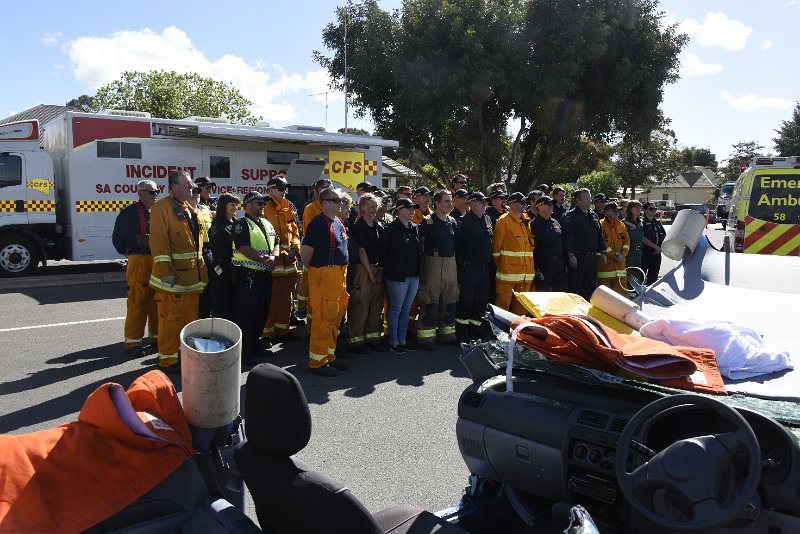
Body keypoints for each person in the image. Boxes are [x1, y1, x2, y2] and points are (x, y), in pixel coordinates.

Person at [149, 170, 208, 372]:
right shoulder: (161, 208)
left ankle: (185, 356)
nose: (191, 187)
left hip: (192, 279)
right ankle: (168, 360)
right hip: (173, 280)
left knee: (190, 322)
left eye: (191, 184)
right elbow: (159, 243)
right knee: (170, 321)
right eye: (186, 184)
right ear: (173, 187)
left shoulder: (189, 208)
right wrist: (166, 272)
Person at [300, 188, 350, 376]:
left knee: (334, 319)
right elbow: (306, 254)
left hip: (338, 276)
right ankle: (317, 362)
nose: (341, 204)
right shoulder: (318, 224)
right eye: (336, 200)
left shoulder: (338, 222)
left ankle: (329, 357)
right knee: (322, 319)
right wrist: (318, 271)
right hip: (324, 276)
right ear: (325, 203)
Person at [112, 179, 159, 356]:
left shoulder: (156, 211)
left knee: (157, 302)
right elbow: (118, 239)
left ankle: (156, 338)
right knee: (137, 303)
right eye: (152, 192)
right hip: (139, 261)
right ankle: (133, 343)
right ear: (140, 193)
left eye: (157, 191)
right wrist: (131, 255)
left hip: (156, 261)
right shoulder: (129, 213)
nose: (156, 195)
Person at [232, 192, 280, 363]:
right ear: (248, 205)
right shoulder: (240, 224)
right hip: (248, 276)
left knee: (261, 312)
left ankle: (254, 345)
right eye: (259, 203)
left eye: (263, 203)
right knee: (246, 315)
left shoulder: (267, 223)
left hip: (264, 275)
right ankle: (244, 353)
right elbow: (243, 247)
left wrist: (274, 257)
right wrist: (263, 260)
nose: (262, 206)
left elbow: (277, 243)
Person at [417, 190, 459, 348]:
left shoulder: (452, 221)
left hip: (450, 263)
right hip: (433, 263)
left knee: (450, 298)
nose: (450, 204)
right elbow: (420, 246)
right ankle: (426, 337)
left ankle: (447, 334)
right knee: (430, 299)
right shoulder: (427, 222)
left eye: (450, 201)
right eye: (446, 201)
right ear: (437, 203)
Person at [262, 175, 301, 343]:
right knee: (272, 299)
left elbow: (294, 231)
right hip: (275, 262)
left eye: (285, 188)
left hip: (289, 263)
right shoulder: (263, 207)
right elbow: (265, 236)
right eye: (280, 188)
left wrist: (295, 248)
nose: (284, 192)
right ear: (270, 189)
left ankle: (282, 331)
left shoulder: (287, 207)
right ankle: (266, 335)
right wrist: (284, 253)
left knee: (286, 299)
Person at [379, 198, 421, 354]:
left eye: (413, 208)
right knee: (396, 309)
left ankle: (402, 340)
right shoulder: (389, 229)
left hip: (413, 275)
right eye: (408, 208)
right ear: (399, 210)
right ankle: (393, 341)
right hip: (397, 276)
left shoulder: (414, 228)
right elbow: (383, 254)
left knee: (406, 309)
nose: (412, 211)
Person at [347, 193, 385, 353]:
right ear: (362, 208)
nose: (374, 209)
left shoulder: (378, 225)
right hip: (364, 269)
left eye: (375, 206)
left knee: (376, 305)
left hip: (377, 268)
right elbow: (362, 252)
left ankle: (373, 337)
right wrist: (370, 274)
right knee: (361, 304)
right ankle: (356, 341)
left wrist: (380, 270)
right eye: (371, 206)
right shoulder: (359, 226)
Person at [455, 192, 493, 342]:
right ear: (470, 204)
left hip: (484, 268)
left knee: (481, 300)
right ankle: (461, 332)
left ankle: (474, 330)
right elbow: (457, 248)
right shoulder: (463, 222)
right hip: (469, 268)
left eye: (485, 202)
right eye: (480, 202)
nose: (484, 205)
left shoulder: (487, 219)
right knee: (466, 301)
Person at [493, 192, 535, 314]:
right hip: (507, 274)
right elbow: (496, 249)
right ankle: (499, 332)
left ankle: (518, 331)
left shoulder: (527, 221)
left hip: (525, 275)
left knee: (521, 306)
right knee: (503, 306)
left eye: (524, 202)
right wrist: (503, 265)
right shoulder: (503, 221)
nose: (524, 205)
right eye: (521, 202)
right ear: (512, 204)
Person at [563, 188, 607, 302]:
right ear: (578, 200)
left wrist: (603, 252)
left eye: (590, 198)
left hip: (591, 258)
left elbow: (599, 235)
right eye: (586, 198)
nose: (589, 200)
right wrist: (571, 255)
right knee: (575, 290)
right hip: (578, 258)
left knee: (590, 289)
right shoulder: (570, 216)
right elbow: (567, 238)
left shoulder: (593, 216)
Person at [297, 178, 332, 319]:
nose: (327, 189)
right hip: (315, 253)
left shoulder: (334, 205)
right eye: (323, 188)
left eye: (329, 187)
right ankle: (303, 308)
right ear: (316, 192)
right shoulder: (311, 209)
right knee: (309, 284)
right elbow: (311, 234)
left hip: (329, 255)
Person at [205, 193, 239, 321]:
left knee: (233, 303)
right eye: (232, 205)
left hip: (235, 270)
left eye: (236, 205)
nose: (235, 207)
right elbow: (218, 249)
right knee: (222, 304)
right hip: (223, 269)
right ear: (223, 206)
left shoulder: (236, 222)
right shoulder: (217, 225)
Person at [530, 195, 567, 292]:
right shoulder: (534, 225)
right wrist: (536, 267)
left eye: (552, 204)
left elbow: (562, 243)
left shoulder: (555, 222)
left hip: (558, 263)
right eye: (548, 204)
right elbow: (532, 247)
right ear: (539, 206)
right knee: (543, 292)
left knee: (560, 292)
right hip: (543, 265)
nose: (551, 206)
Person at [190, 183, 215, 318]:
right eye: (193, 191)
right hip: (191, 254)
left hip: (207, 252)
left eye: (198, 191)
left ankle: (204, 318)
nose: (196, 193)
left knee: (208, 288)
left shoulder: (206, 209)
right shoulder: (181, 210)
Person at [597, 202, 630, 297]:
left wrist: (622, 255)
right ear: (607, 212)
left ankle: (624, 312)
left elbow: (627, 242)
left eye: (619, 211)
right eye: (615, 211)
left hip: (620, 267)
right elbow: (602, 243)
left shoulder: (621, 225)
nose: (618, 213)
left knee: (622, 296)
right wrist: (614, 255)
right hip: (606, 268)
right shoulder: (600, 225)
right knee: (605, 297)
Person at [641, 201, 666, 285]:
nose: (653, 211)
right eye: (651, 209)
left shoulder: (657, 222)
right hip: (645, 252)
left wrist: (660, 248)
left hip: (657, 252)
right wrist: (655, 247)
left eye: (655, 209)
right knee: (642, 275)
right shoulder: (641, 222)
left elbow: (663, 235)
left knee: (654, 275)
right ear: (645, 210)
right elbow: (642, 238)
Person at [623, 200, 645, 285]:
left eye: (640, 207)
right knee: (628, 275)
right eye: (636, 207)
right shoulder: (624, 223)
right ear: (630, 209)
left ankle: (635, 294)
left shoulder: (640, 223)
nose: (638, 209)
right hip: (629, 252)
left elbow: (642, 238)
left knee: (637, 275)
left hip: (638, 252)